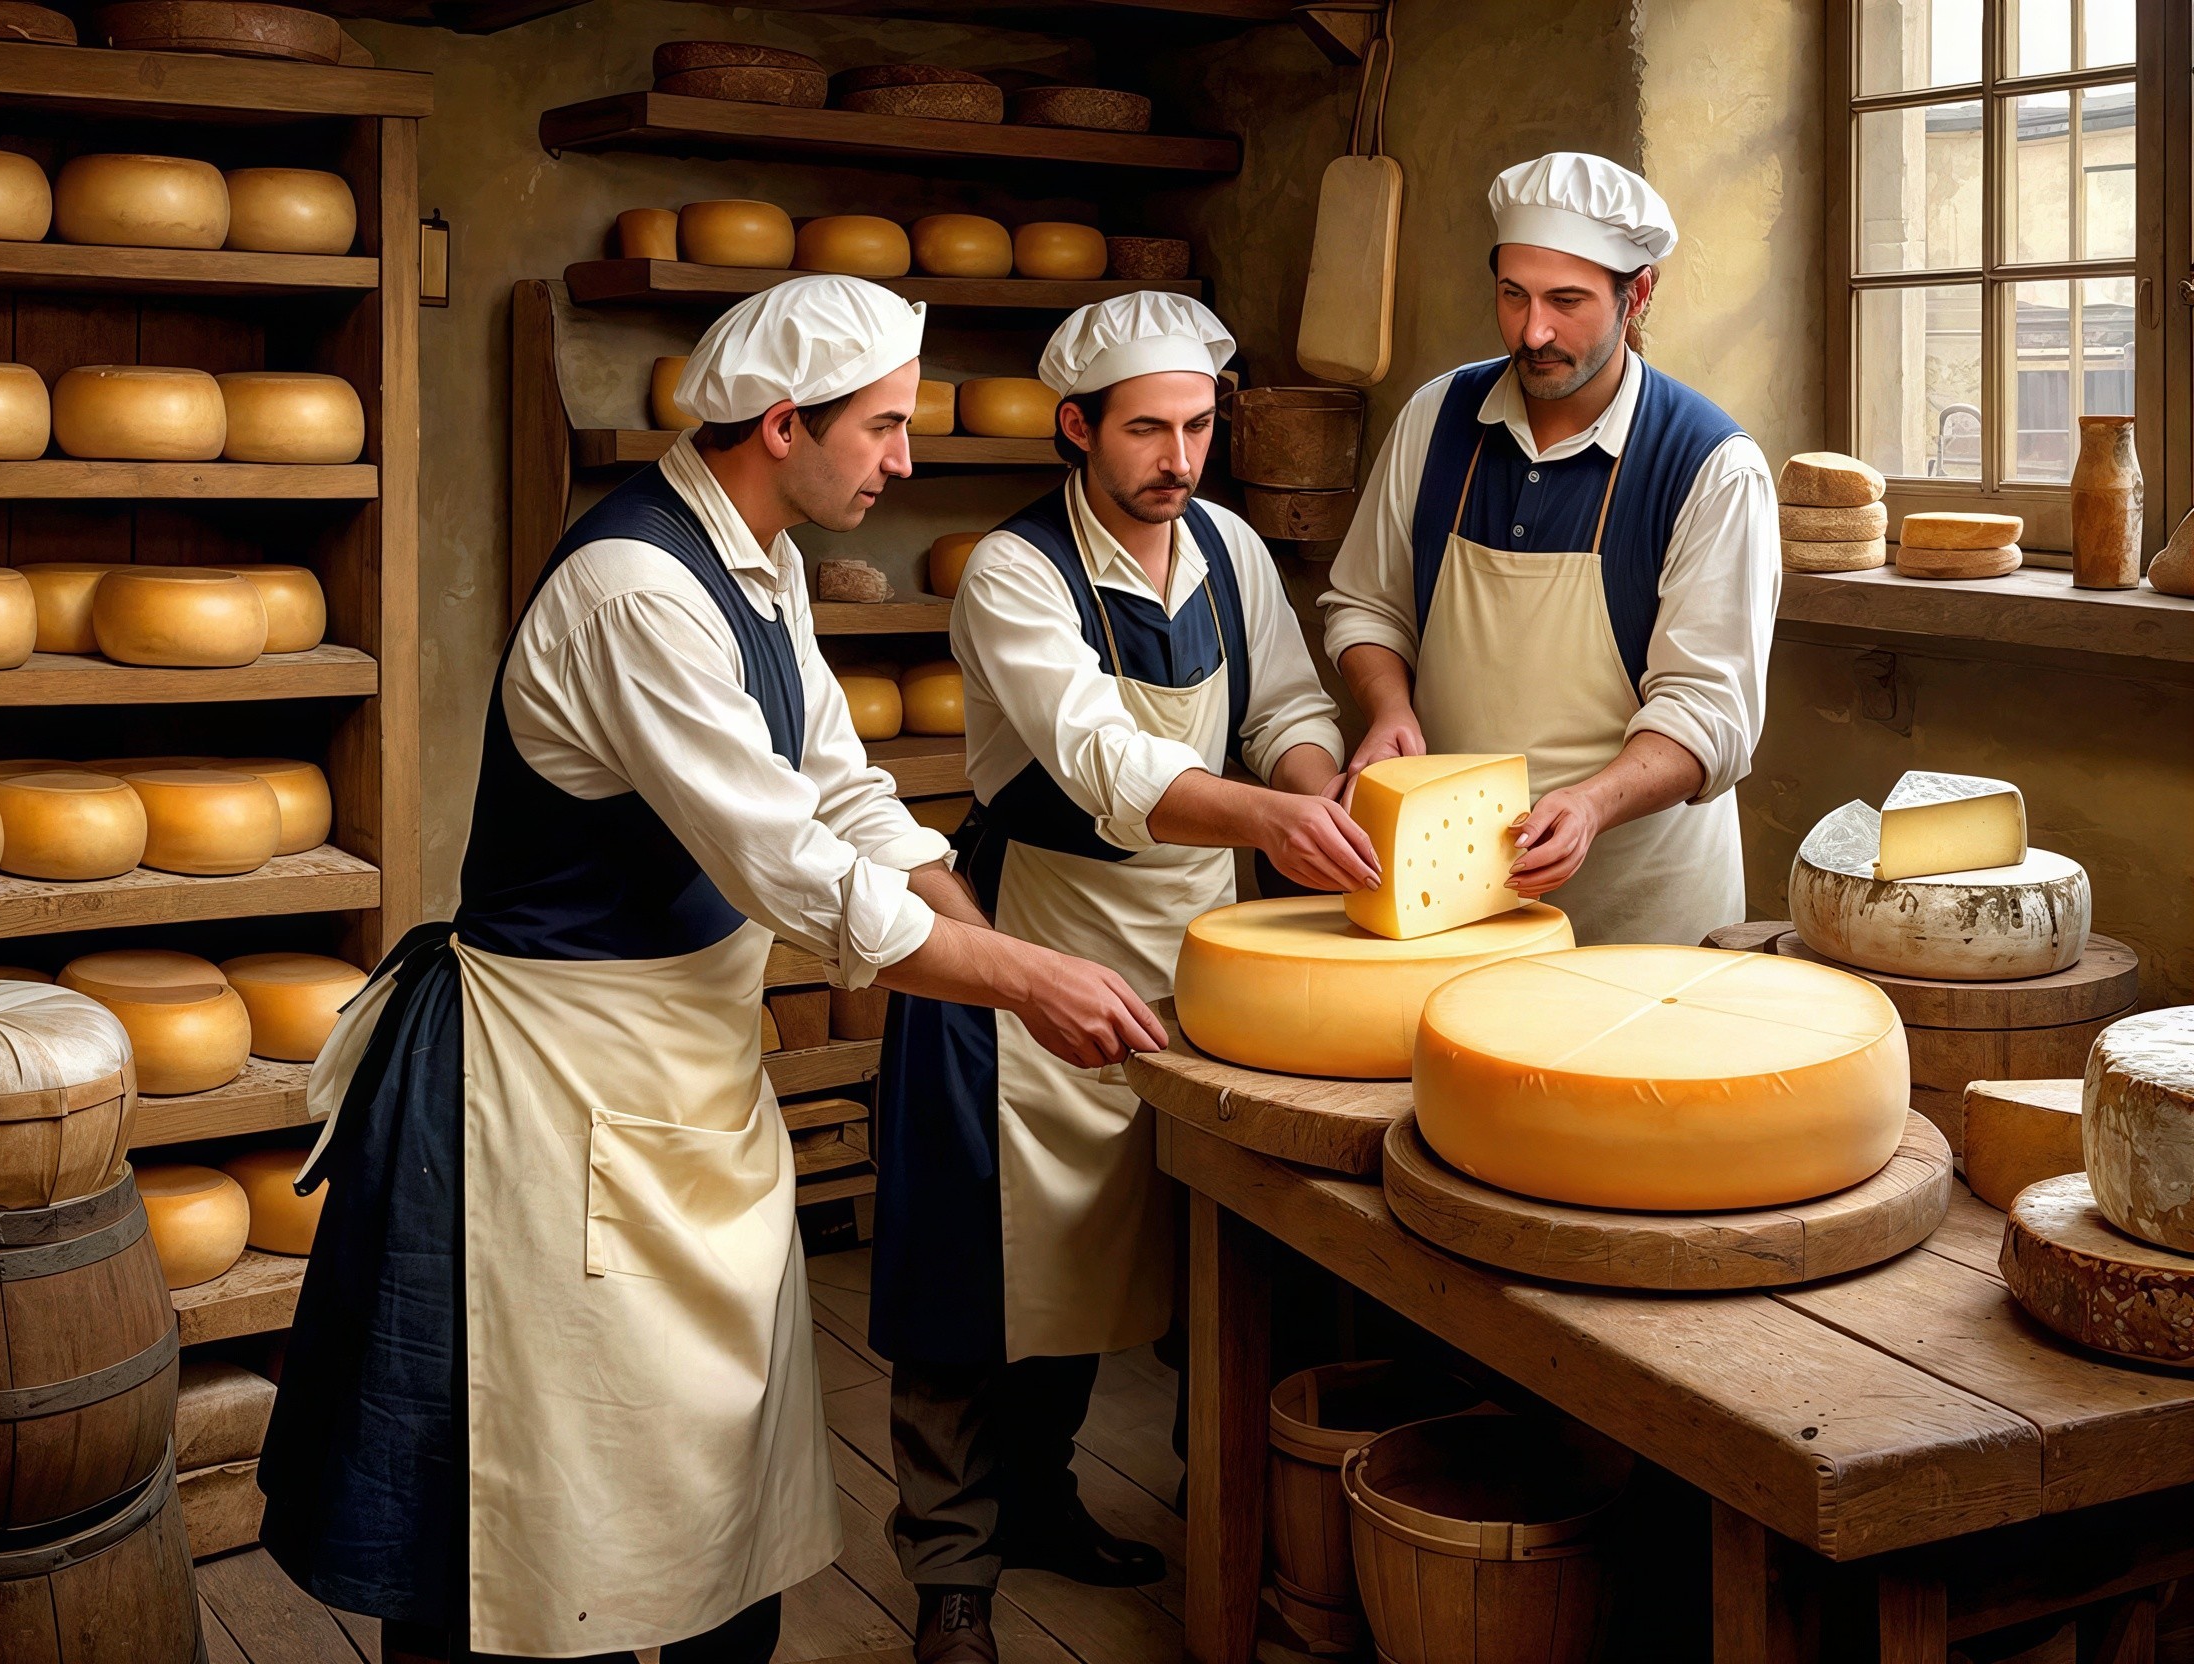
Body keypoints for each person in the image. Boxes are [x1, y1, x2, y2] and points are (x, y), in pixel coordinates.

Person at [256, 275, 1165, 1664]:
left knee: (701, 1476)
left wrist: (993, 939)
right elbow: (782, 868)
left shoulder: (759, 557)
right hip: (551, 1094)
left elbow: (840, 793)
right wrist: (1025, 988)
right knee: (525, 1509)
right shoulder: (635, 590)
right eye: (881, 431)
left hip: (681, 1077)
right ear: (784, 426)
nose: (905, 461)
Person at [869, 292, 1374, 1664]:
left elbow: (1282, 707)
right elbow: (1105, 760)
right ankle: (954, 1577)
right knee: (982, 1276)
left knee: (1149, 1243)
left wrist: (1317, 786)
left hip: (1202, 939)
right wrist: (1274, 823)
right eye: (1148, 428)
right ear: (1077, 428)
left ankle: (1045, 1503)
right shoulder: (1014, 573)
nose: (1181, 457)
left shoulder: (1227, 547)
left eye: (1200, 424)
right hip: (1027, 937)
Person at [1323, 151, 1780, 946]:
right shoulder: (1437, 420)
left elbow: (1710, 710)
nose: (1532, 332)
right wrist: (1389, 706)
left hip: (1641, 909)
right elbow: (1366, 604)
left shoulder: (1710, 466)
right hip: (1454, 899)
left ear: (1637, 294)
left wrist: (1593, 803)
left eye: (1566, 301)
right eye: (1513, 296)